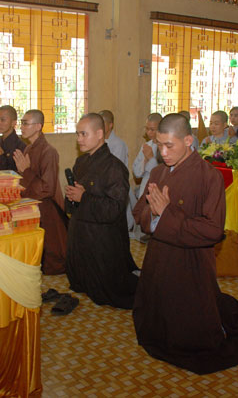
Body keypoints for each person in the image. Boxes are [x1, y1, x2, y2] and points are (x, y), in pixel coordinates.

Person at [132, 113, 238, 375]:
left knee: (186, 318)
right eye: (159, 145)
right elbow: (138, 213)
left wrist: (167, 214)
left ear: (188, 140)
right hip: (159, 256)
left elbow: (212, 230)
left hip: (191, 262)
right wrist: (153, 215)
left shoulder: (208, 177)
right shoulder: (157, 172)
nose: (163, 153)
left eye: (169, 146)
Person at [65, 113, 138, 309]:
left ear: (99, 134)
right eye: (77, 134)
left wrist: (84, 197)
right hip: (82, 232)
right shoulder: (81, 162)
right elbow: (76, 198)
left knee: (109, 292)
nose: (79, 139)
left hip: (103, 238)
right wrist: (72, 195)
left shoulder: (115, 168)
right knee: (83, 281)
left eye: (83, 134)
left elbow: (115, 208)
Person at [13, 110, 67, 275]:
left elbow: (47, 188)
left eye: (25, 123)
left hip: (47, 208)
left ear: (38, 126)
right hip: (31, 205)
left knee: (52, 258)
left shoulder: (49, 152)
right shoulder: (28, 148)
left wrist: (26, 171)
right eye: (21, 123)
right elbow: (24, 180)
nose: (21, 127)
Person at [128, 112, 162, 238]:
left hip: (159, 188)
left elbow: (161, 172)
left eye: (152, 129)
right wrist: (145, 160)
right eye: (147, 129)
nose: (149, 132)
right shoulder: (147, 146)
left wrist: (151, 158)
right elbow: (136, 172)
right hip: (145, 186)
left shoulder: (165, 147)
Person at [0, 105, 26, 171]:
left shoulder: (20, 147)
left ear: (13, 123)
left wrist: (0, 158)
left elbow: (17, 173)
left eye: (3, 120)